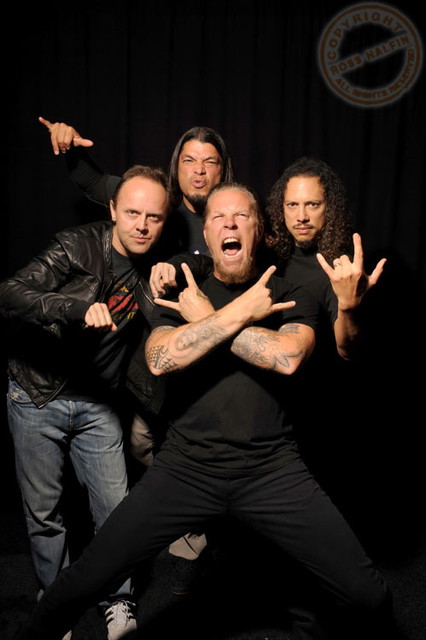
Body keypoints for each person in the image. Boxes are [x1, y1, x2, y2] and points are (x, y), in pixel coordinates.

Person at [19, 183, 399, 640]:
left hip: (272, 470)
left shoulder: (289, 292)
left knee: (369, 595)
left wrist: (206, 320)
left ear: (260, 231)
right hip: (185, 469)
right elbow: (161, 359)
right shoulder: (183, 290)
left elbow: (287, 357)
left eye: (242, 216)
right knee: (86, 577)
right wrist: (232, 315)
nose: (230, 224)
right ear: (207, 233)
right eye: (219, 217)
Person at [38, 116, 235, 589]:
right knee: (143, 442)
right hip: (153, 352)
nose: (199, 170)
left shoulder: (230, 211)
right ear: (176, 167)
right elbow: (96, 183)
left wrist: (181, 263)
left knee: (209, 445)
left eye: (210, 161)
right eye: (189, 160)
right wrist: (69, 147)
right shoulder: (157, 200)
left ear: (222, 168)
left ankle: (212, 522)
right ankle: (185, 515)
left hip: (211, 349)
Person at [0, 164, 170, 640]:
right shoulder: (77, 245)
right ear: (113, 209)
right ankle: (55, 607)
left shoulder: (157, 266)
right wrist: (73, 308)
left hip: (98, 402)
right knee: (45, 514)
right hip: (38, 394)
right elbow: (9, 292)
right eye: (132, 212)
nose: (142, 225)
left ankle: (118, 599)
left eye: (153, 217)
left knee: (116, 512)